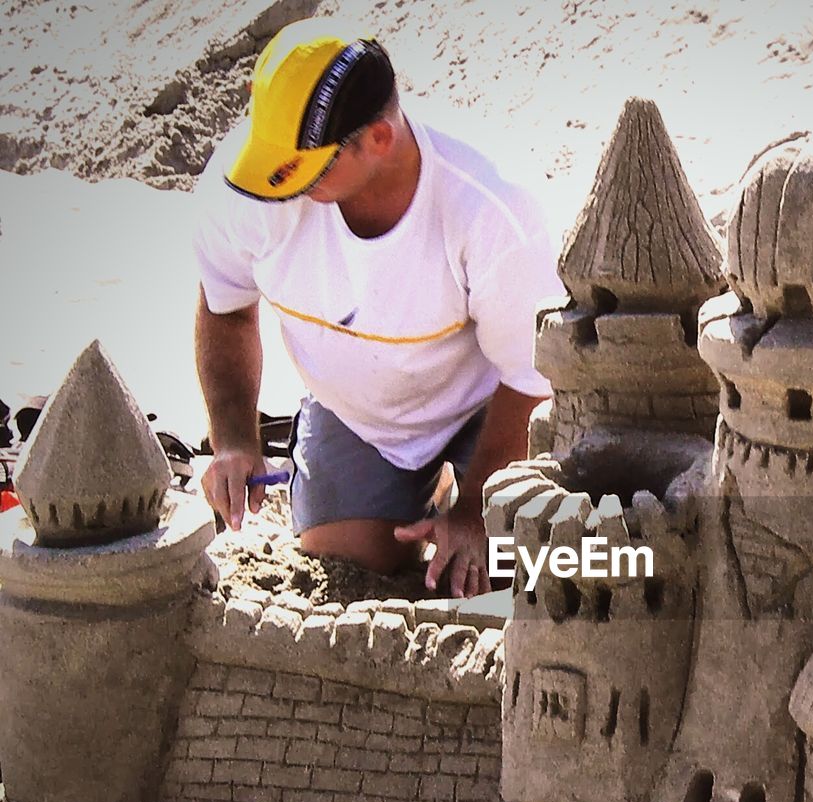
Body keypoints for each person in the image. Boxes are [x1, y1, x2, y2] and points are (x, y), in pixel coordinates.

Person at [193, 18, 559, 598]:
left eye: (300, 171)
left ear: (378, 140)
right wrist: (234, 437)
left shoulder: (490, 211)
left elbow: (530, 376)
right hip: (355, 412)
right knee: (352, 560)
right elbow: (227, 310)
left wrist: (478, 505)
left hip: (487, 410)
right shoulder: (248, 187)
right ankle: (423, 493)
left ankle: (457, 485)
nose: (277, 190)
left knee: (512, 563)